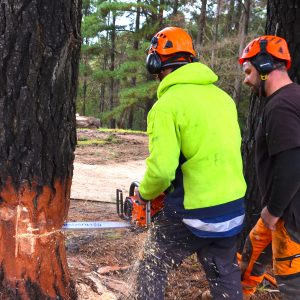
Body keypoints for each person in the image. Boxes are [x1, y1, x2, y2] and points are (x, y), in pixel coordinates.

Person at [134, 26, 247, 300]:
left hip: (194, 211)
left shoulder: (167, 105)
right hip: (233, 208)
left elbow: (161, 170)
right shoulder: (224, 99)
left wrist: (144, 195)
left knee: (151, 263)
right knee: (224, 273)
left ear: (155, 62)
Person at [239, 35, 300, 299]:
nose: (246, 80)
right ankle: (238, 293)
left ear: (264, 66)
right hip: (279, 212)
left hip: (289, 216)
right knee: (251, 253)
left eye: (249, 71)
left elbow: (293, 162)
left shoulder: (280, 107)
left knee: (292, 288)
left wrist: (274, 211)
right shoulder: (294, 97)